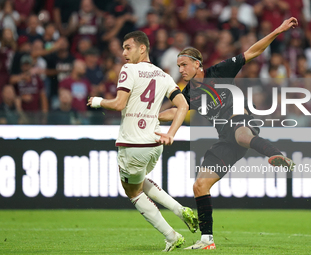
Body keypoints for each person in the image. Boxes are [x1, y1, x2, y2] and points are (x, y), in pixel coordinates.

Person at [158, 17, 298, 250]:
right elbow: (176, 111)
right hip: (225, 139)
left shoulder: (219, 71)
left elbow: (252, 52)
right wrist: (149, 115)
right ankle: (207, 240)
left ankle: (277, 156)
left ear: (197, 64)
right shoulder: (188, 92)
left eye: (183, 65)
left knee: (240, 134)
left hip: (241, 122)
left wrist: (278, 30)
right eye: (178, 66)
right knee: (200, 186)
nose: (180, 69)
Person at [87, 31, 198, 252]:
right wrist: (171, 133)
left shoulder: (129, 70)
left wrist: (98, 101)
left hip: (133, 145)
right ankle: (180, 210)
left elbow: (119, 104)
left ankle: (171, 235)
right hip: (155, 144)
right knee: (139, 181)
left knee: (133, 192)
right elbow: (183, 107)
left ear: (142, 48)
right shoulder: (164, 75)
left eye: (128, 47)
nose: (123, 53)